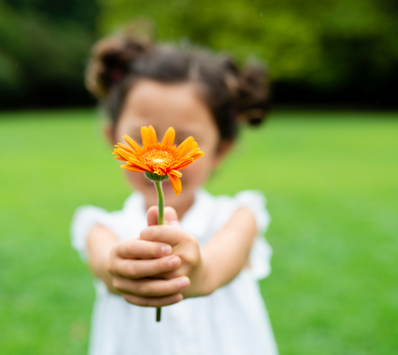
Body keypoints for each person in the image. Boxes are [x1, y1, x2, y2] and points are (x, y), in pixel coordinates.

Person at [71, 33, 277, 355]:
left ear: (221, 149)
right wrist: (123, 271)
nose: (162, 152)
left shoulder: (239, 217)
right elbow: (106, 265)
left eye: (183, 142)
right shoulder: (101, 228)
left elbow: (219, 264)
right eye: (141, 139)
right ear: (114, 139)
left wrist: (199, 274)